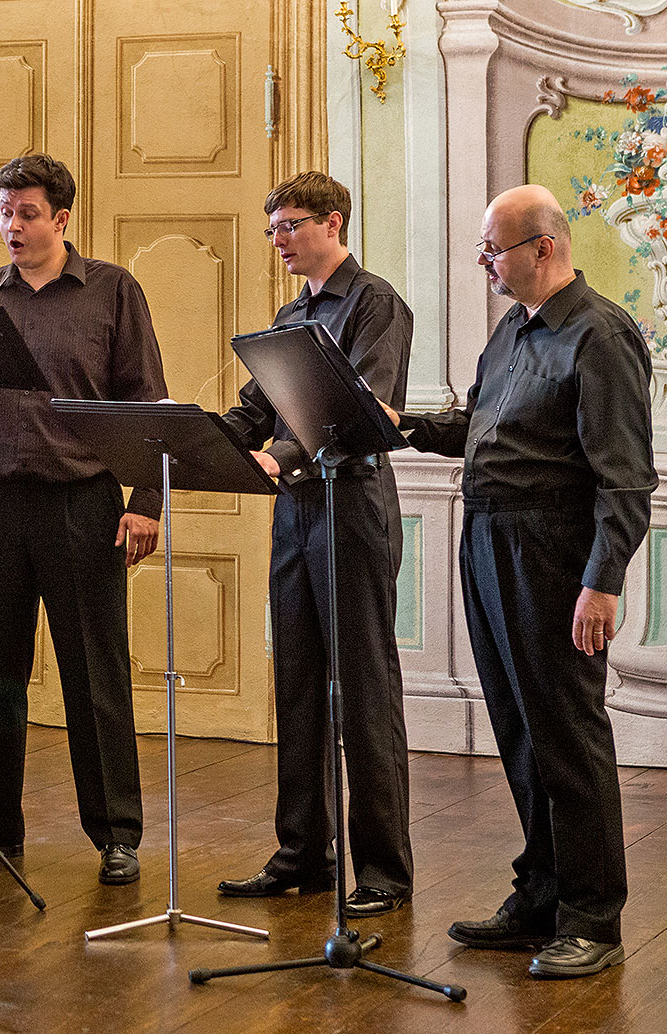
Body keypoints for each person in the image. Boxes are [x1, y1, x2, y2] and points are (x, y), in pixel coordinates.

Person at [384, 185, 657, 978]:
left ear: (544, 247)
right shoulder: (511, 330)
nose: (484, 263)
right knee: (520, 730)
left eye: (492, 249)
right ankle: (540, 894)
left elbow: (625, 478)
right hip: (490, 540)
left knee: (568, 737)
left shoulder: (600, 335)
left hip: (554, 551)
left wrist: (602, 582)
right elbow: (479, 429)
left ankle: (592, 919)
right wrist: (398, 422)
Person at [0, 154, 165, 886]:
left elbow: (147, 401)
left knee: (95, 670)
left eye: (27, 213)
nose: (13, 226)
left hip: (81, 503)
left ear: (61, 218)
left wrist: (146, 503)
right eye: (4, 212)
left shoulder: (112, 292)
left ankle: (116, 831)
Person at [215, 172, 415, 918]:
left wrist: (281, 456)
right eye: (272, 229)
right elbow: (256, 407)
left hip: (351, 506)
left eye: (289, 226)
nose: (278, 241)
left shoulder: (375, 304)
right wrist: (192, 444)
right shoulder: (291, 311)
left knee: (362, 689)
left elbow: (364, 412)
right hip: (297, 513)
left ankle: (386, 872)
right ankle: (302, 852)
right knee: (296, 683)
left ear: (333, 222)